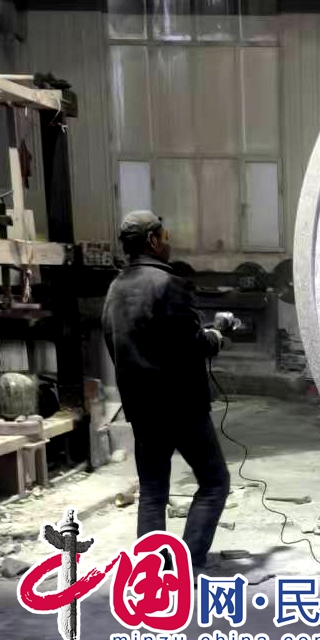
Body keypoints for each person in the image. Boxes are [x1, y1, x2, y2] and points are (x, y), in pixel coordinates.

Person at [102, 210, 230, 569]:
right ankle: (187, 561)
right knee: (214, 482)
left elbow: (128, 343)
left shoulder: (115, 288)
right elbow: (190, 345)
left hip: (142, 408)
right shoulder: (169, 284)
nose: (168, 242)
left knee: (153, 494)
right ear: (153, 241)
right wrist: (217, 335)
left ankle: (151, 571)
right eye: (165, 236)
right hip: (181, 407)